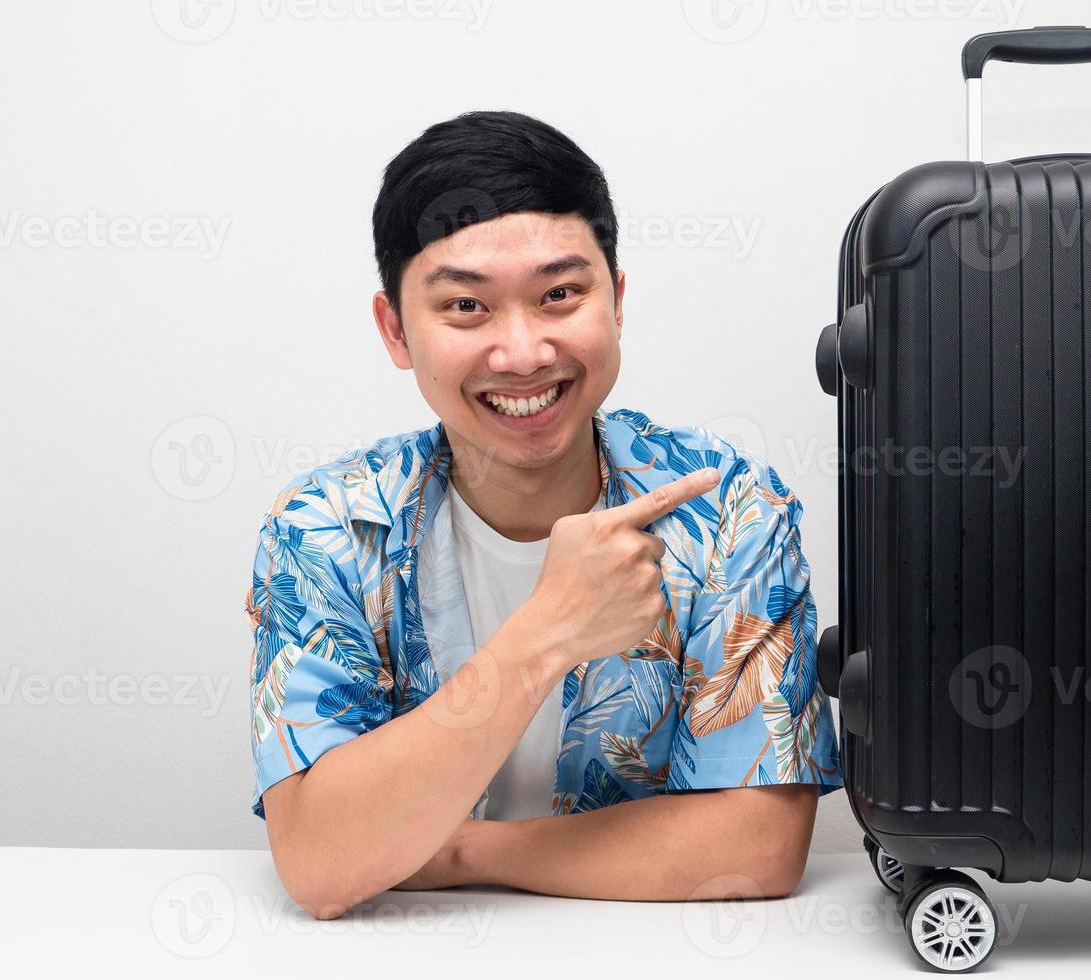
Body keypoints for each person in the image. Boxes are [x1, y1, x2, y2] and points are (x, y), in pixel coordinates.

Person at [244, 110, 840, 920]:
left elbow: (757, 848)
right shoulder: (325, 528)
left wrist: (446, 850)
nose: (522, 352)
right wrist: (548, 632)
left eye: (560, 295)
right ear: (396, 330)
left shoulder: (732, 509)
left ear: (617, 301)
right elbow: (320, 864)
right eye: (466, 308)